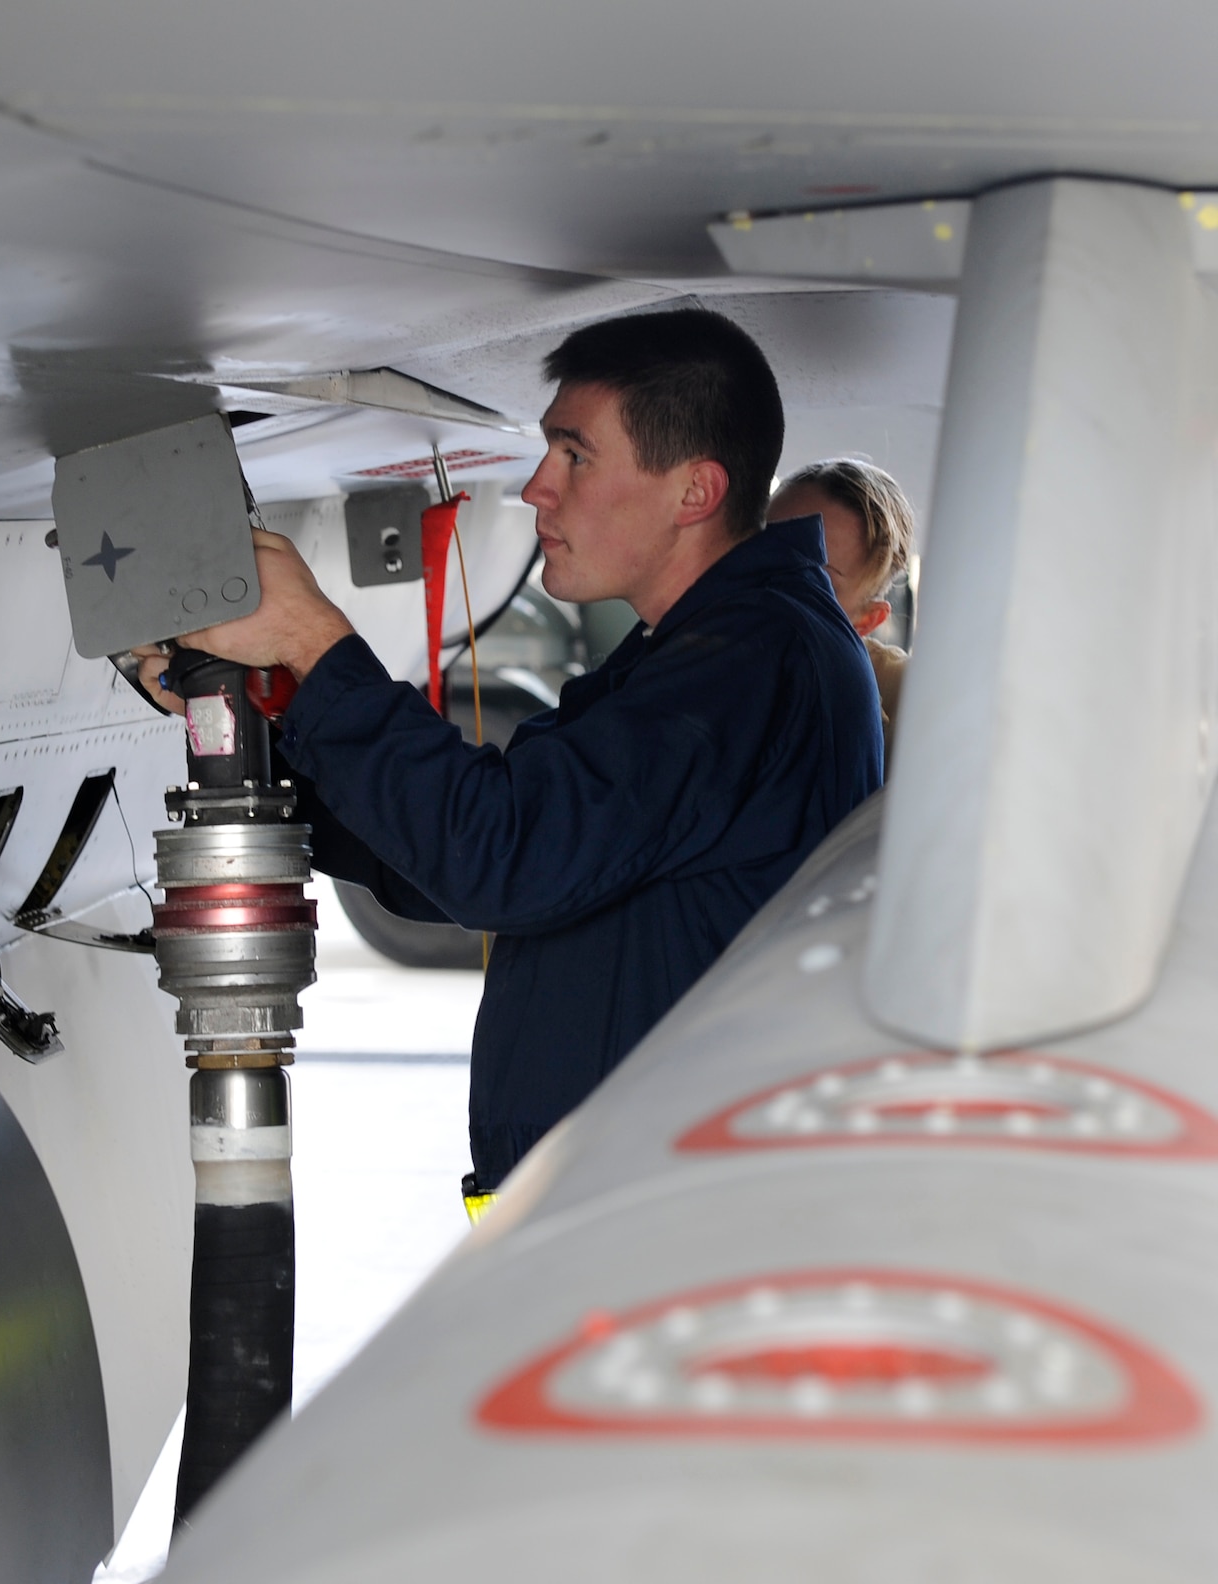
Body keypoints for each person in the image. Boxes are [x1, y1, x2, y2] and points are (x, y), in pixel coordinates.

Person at [140, 309, 883, 1190]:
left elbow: (503, 855)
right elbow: (470, 861)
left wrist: (316, 641)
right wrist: (270, 737)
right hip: (633, 1198)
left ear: (694, 491)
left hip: (649, 1212)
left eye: (575, 455)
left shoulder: (744, 667)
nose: (537, 487)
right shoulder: (711, 650)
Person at [766, 458, 915, 749]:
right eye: (764, 550)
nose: (770, 584)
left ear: (867, 621)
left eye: (812, 580)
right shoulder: (690, 643)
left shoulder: (910, 704)